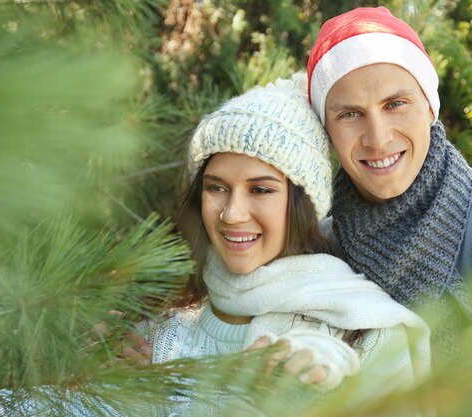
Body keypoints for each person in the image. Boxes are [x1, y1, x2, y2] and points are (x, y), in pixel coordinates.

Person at [306, 2, 472, 390]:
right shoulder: (318, 252)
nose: (378, 138)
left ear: (430, 105)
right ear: (326, 131)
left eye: (396, 104)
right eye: (349, 114)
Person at [135, 75, 432, 416]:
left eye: (260, 190)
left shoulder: (367, 333)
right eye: (216, 188)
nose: (232, 214)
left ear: (303, 204)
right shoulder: (160, 323)